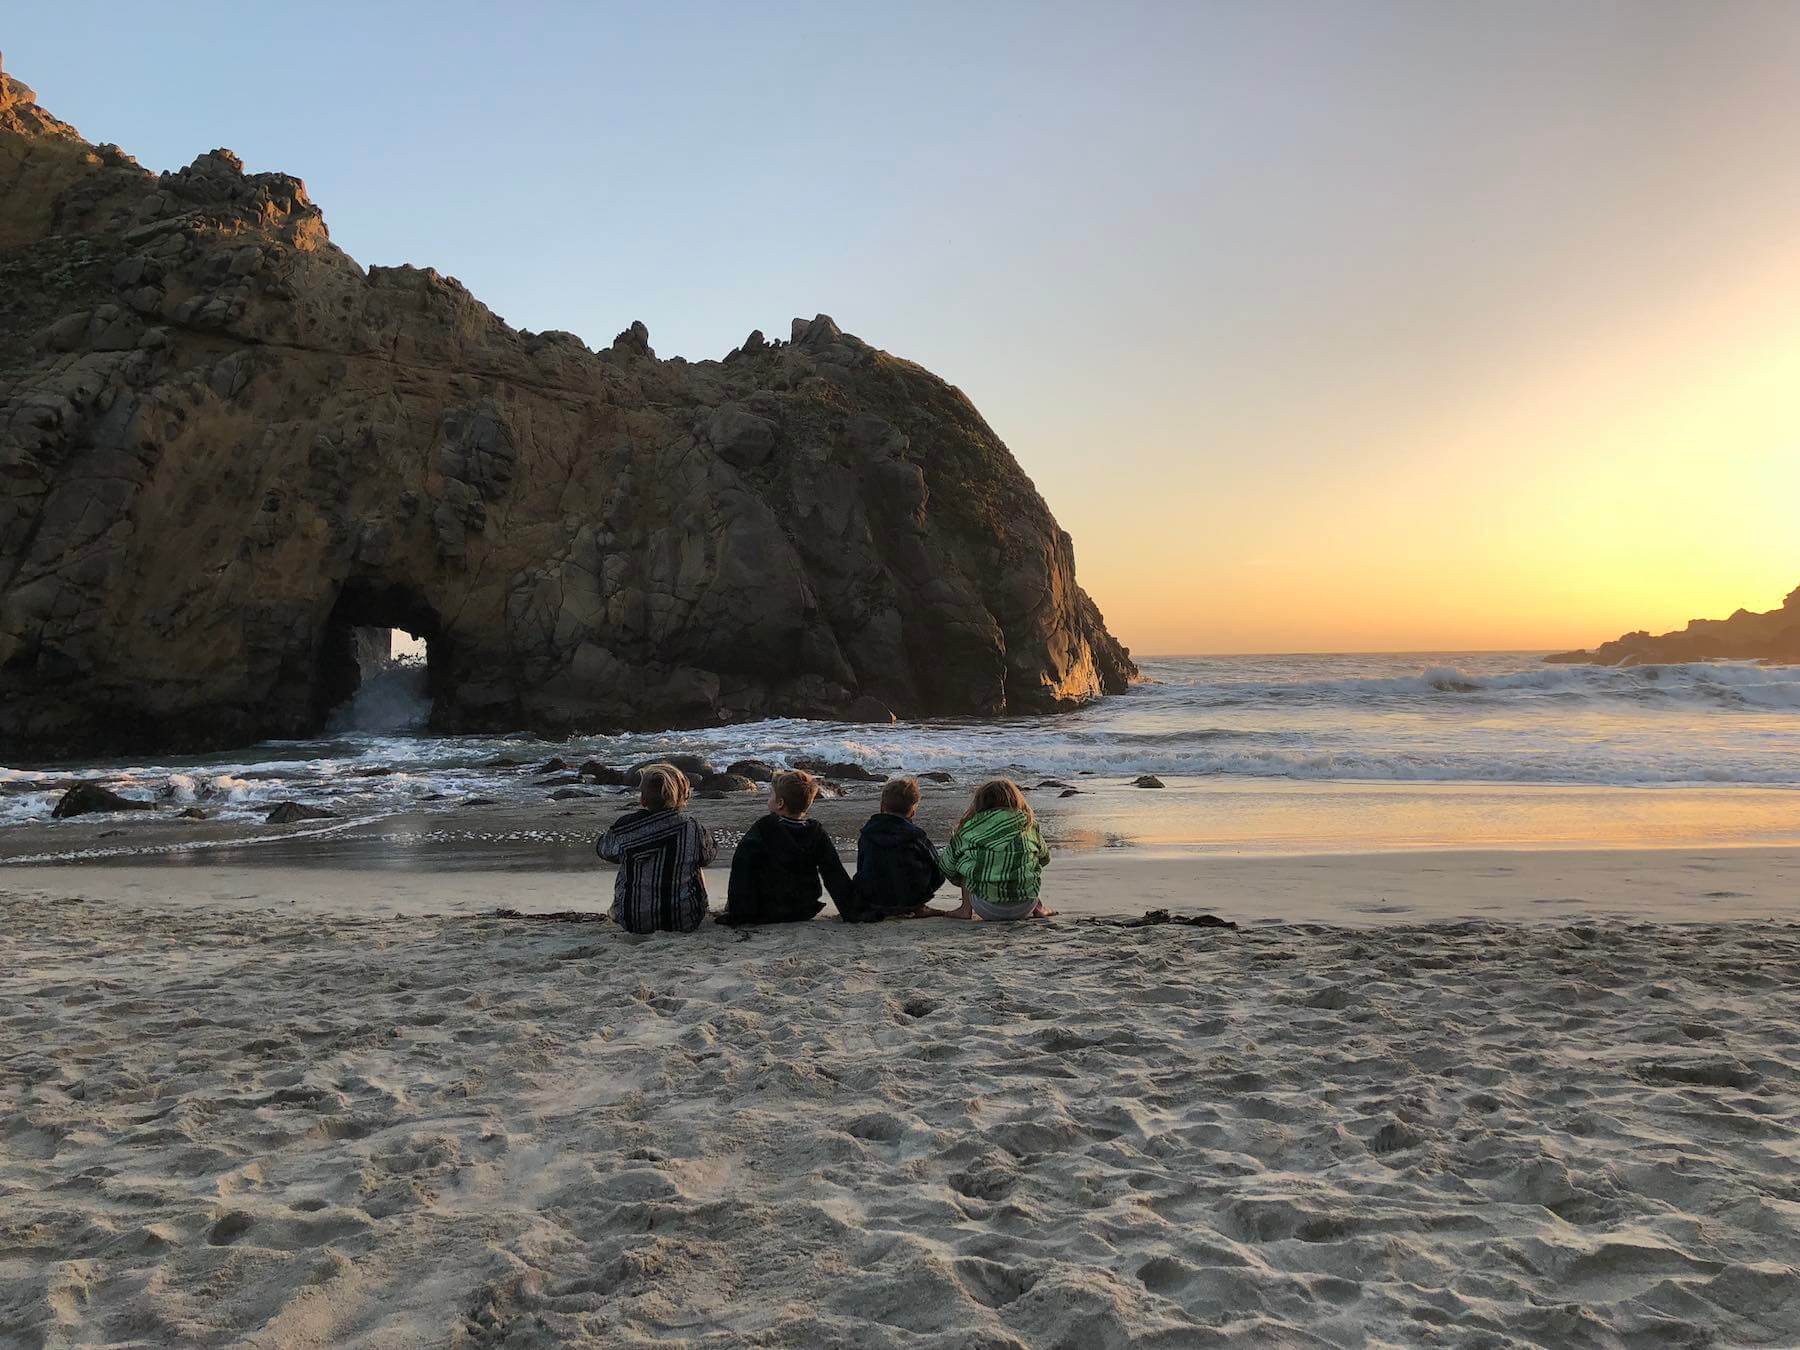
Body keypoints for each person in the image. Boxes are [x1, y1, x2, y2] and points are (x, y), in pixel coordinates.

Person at [595, 763, 715, 934]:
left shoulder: (626, 828)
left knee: (627, 858)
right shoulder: (693, 827)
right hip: (685, 920)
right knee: (696, 861)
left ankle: (626, 908)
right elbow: (709, 856)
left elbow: (603, 850)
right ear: (683, 796)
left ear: (642, 800)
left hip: (633, 922)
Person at [723, 769, 854, 924]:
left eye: (771, 795)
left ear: (780, 803)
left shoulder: (763, 828)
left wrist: (738, 911)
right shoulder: (816, 832)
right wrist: (851, 910)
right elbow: (834, 872)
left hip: (767, 909)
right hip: (803, 908)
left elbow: (742, 868)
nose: (769, 798)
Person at [938, 778, 1054, 920]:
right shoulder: (1028, 824)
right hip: (1026, 905)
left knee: (965, 861)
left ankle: (965, 909)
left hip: (986, 906)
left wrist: (960, 878)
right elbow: (1045, 858)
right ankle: (1039, 908)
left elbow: (947, 864)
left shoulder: (970, 828)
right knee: (1030, 861)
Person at [847, 776, 948, 922]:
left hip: (873, 899)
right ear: (913, 811)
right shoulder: (916, 835)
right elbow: (938, 871)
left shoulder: (867, 834)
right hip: (910, 899)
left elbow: (862, 867)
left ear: (882, 806)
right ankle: (916, 906)